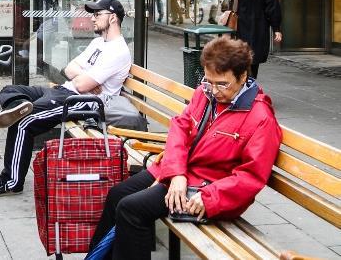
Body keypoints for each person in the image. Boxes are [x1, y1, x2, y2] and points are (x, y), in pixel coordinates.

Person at [87, 37, 282, 260]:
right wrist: (177, 173)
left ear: (243, 77)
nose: (214, 90)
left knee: (131, 210)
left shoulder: (261, 118)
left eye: (222, 84)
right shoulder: (205, 93)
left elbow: (252, 176)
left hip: (205, 187)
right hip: (179, 172)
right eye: (209, 81)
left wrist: (209, 197)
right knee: (117, 195)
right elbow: (180, 127)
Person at [0, 0, 133, 197]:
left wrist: (83, 78)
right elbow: (69, 69)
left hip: (82, 103)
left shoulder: (118, 51)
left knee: (24, 123)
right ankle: (18, 106)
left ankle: (11, 181)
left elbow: (80, 85)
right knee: (10, 90)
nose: (92, 19)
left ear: (112, 18)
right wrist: (84, 77)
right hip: (64, 90)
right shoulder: (98, 43)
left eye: (97, 14)